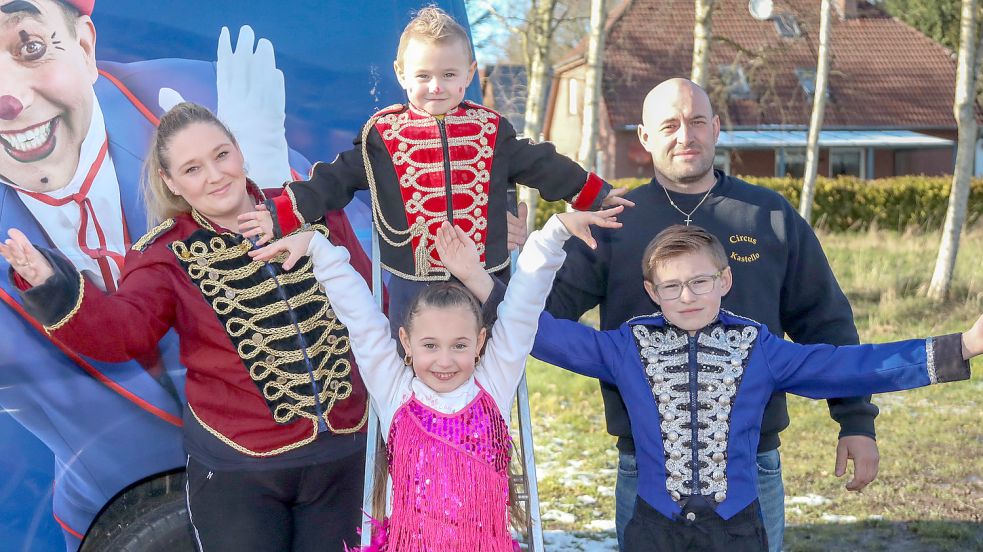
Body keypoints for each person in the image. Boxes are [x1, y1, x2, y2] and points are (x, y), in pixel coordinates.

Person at [0, 0, 365, 546]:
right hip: (240, 468)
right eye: (193, 169)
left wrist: (304, 218)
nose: (215, 176)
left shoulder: (307, 209)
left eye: (223, 155)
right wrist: (52, 286)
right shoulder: (167, 253)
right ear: (172, 183)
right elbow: (121, 334)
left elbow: (364, 291)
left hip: (339, 454)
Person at [543, 77, 879, 551]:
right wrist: (521, 256)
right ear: (644, 137)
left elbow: (827, 324)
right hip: (645, 470)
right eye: (670, 125)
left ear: (717, 128)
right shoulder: (614, 220)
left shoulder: (768, 217)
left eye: (698, 121)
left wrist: (856, 422)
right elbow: (542, 316)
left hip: (753, 466)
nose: (686, 136)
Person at [532, 223, 980, 551]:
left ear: (724, 281)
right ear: (652, 291)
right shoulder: (626, 346)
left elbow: (849, 366)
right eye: (671, 286)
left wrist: (960, 346)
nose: (686, 296)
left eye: (699, 282)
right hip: (652, 527)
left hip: (738, 528)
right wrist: (486, 279)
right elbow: (539, 332)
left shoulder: (756, 345)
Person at [249, 199, 623, 550]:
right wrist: (317, 247)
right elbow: (360, 319)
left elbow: (522, 310)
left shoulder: (491, 384)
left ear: (479, 343)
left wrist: (554, 231)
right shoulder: (396, 391)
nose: (445, 361)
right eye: (430, 346)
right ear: (406, 343)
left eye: (459, 345)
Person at [241, 6, 633, 332]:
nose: (436, 86)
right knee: (412, 363)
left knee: (488, 363)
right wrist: (280, 213)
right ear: (401, 73)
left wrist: (593, 194)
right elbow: (334, 180)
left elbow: (543, 164)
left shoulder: (492, 129)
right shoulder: (383, 135)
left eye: (448, 75)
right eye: (424, 75)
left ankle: (484, 426)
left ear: (469, 73)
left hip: (485, 276)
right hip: (412, 279)